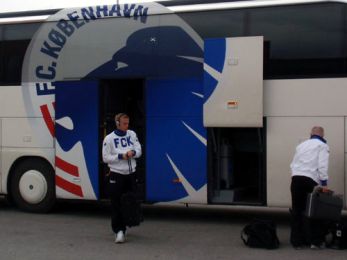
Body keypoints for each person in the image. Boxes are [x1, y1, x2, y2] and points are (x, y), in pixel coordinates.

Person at [102, 113, 142, 243]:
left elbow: (139, 150)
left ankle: (126, 224)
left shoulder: (132, 134)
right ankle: (119, 231)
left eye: (128, 123)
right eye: (124, 123)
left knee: (131, 201)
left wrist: (133, 153)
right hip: (116, 174)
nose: (127, 125)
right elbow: (105, 157)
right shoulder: (109, 138)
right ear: (117, 123)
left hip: (131, 174)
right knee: (116, 203)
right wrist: (121, 156)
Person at [290, 126, 330, 249]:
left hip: (296, 179)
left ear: (311, 134)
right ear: (322, 135)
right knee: (312, 212)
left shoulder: (301, 145)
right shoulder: (323, 146)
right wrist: (324, 184)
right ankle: (314, 241)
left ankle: (296, 242)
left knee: (297, 211)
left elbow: (293, 163)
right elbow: (322, 165)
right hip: (309, 180)